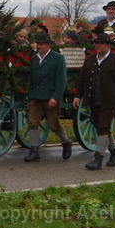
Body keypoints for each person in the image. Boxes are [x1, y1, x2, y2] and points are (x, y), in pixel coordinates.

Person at [74, 33, 115, 170]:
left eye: (101, 43)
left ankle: (98, 158)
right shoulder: (89, 60)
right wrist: (77, 96)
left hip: (110, 101)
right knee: (101, 127)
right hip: (93, 100)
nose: (98, 46)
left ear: (108, 44)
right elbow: (82, 80)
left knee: (103, 127)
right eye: (96, 43)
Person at [23, 32, 74, 162]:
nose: (39, 46)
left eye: (42, 44)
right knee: (32, 123)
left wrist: (55, 97)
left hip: (50, 96)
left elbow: (61, 80)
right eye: (38, 44)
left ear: (48, 45)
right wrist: (29, 98)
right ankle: (34, 149)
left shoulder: (57, 58)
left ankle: (66, 141)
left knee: (53, 125)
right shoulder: (34, 59)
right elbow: (32, 80)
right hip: (36, 96)